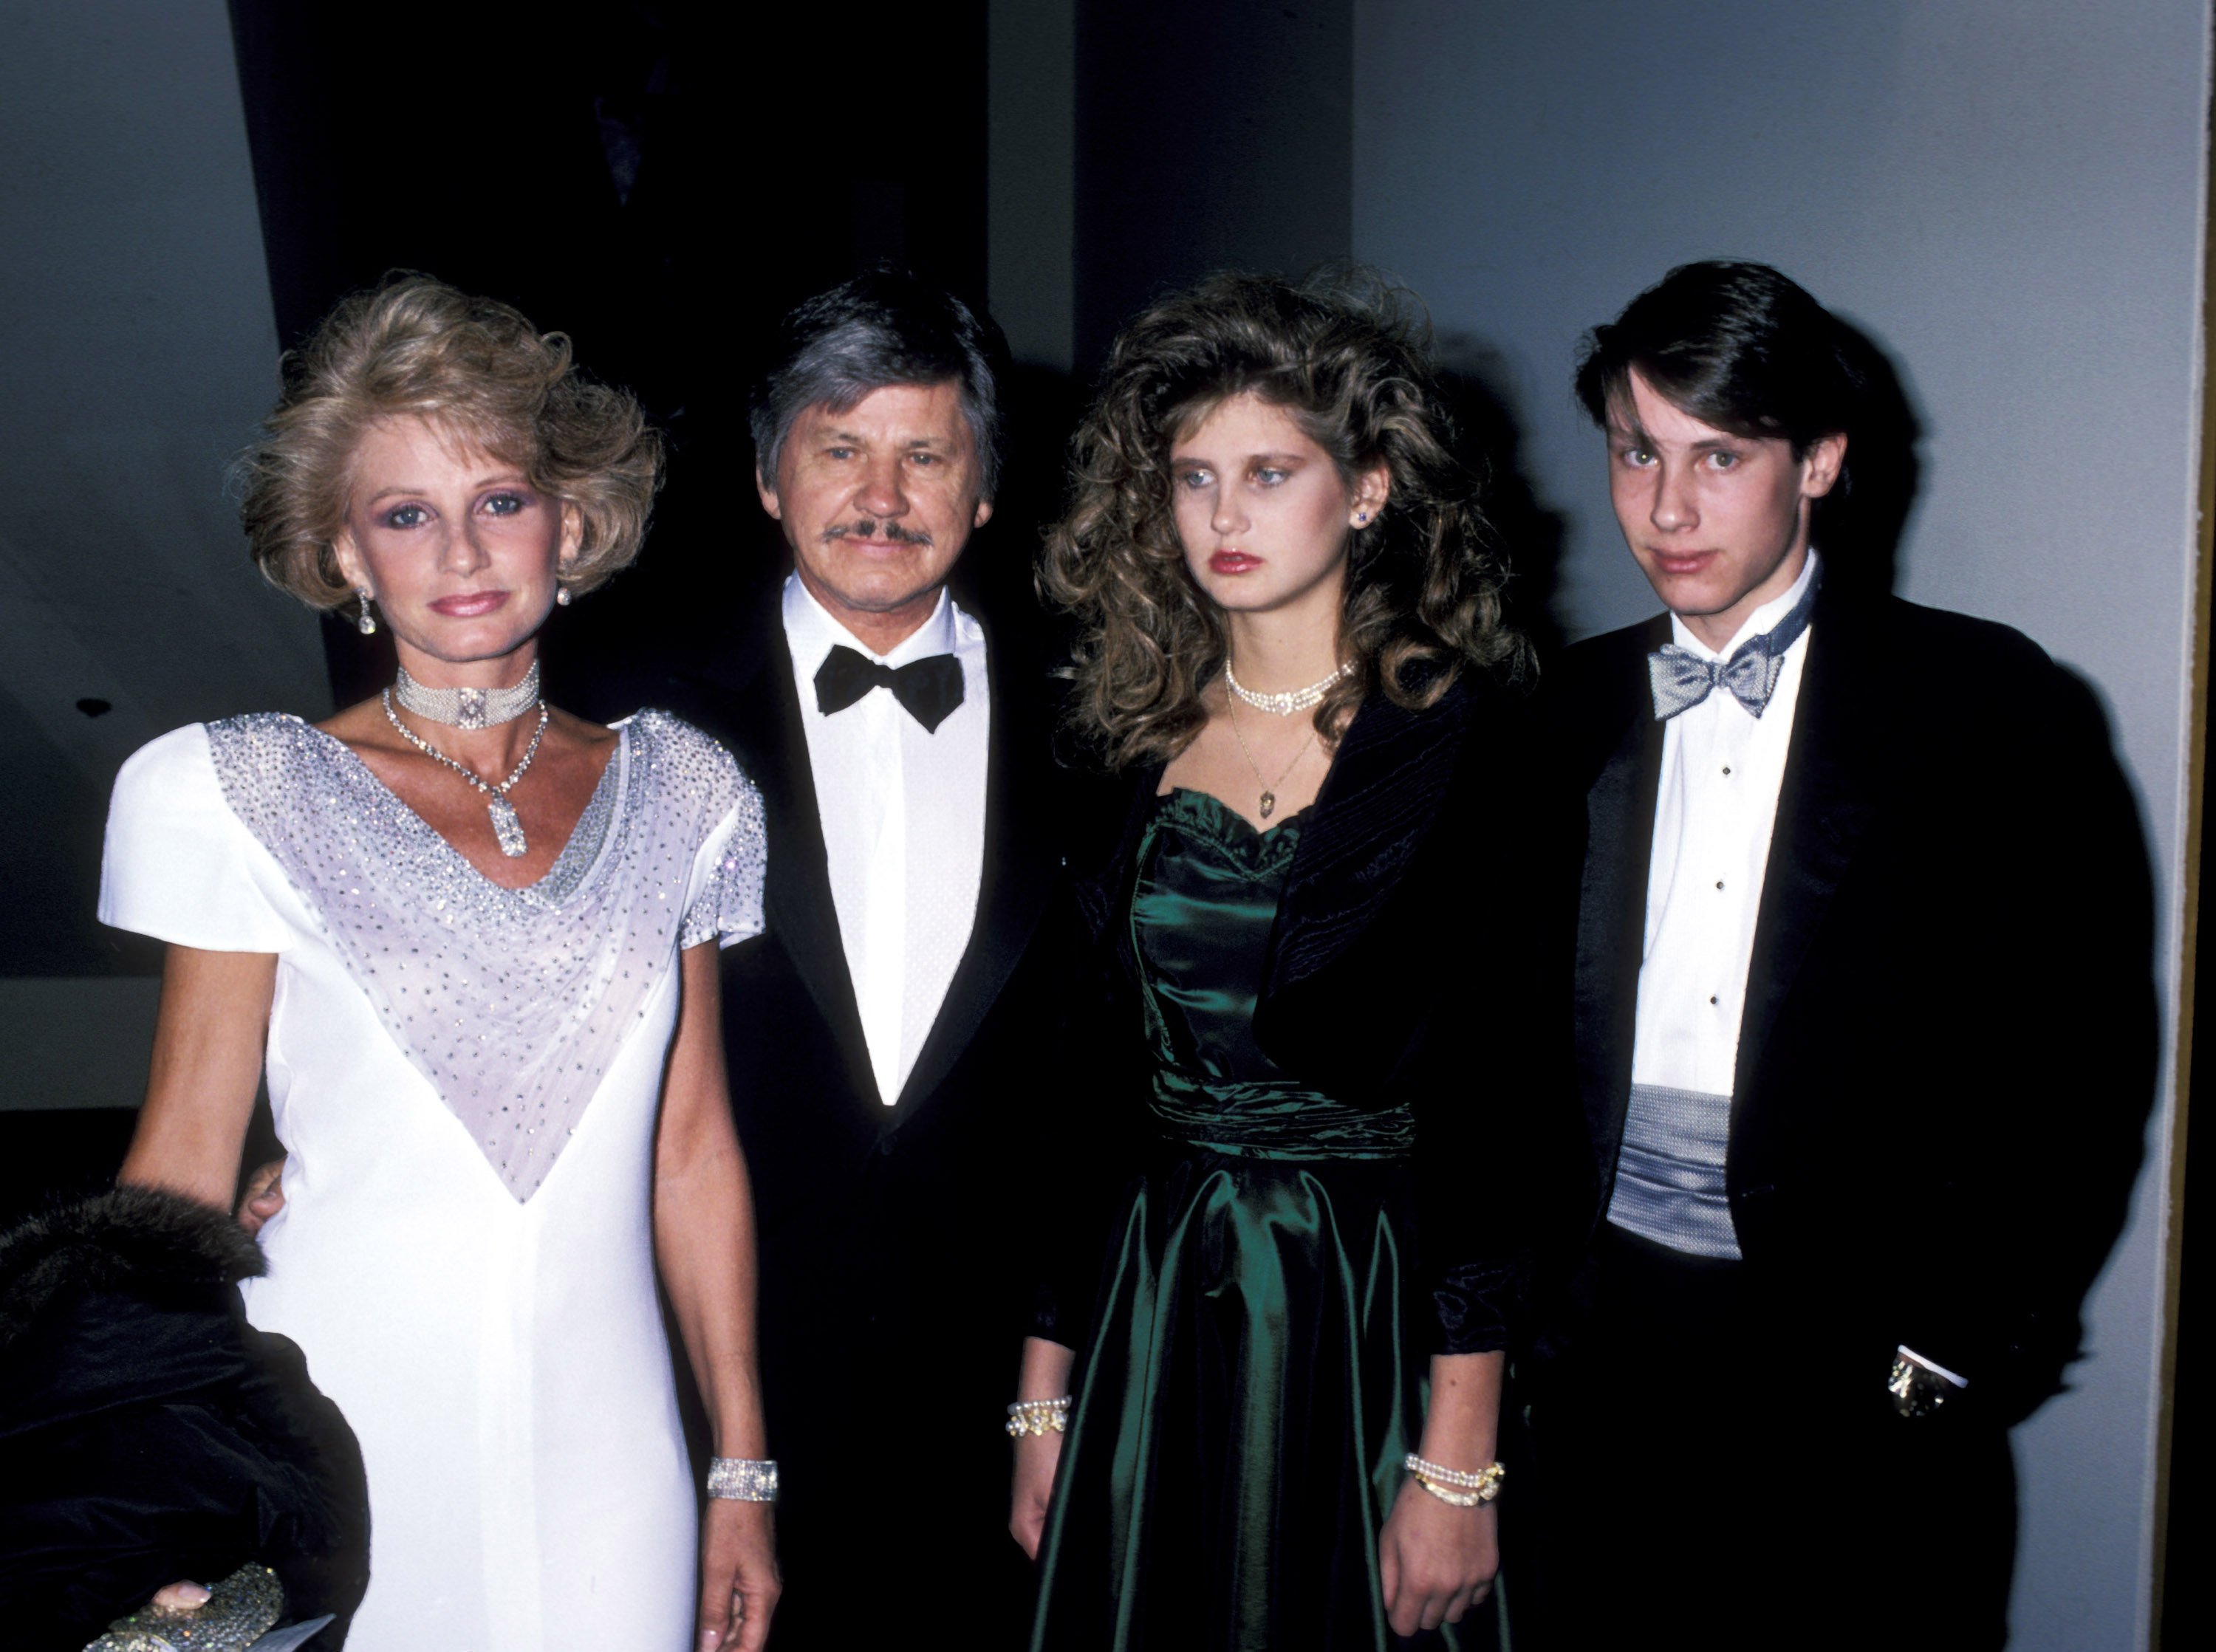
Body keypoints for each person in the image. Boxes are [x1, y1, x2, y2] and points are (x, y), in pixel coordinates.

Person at [98, 275, 781, 1651]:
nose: (462, 551)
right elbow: (177, 1169)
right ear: (346, 552)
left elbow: (694, 1153)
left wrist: (742, 1469)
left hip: (615, 1454)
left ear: (571, 522)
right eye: (406, 513)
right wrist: (147, 1475)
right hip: (330, 1428)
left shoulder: (691, 792)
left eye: (502, 501)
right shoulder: (230, 789)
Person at [1519, 261, 2156, 1649]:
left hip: (1854, 1371)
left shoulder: (1984, 705)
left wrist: (1946, 1351)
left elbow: (2080, 1058)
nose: (1668, 508)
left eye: (1721, 456)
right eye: (1639, 452)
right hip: (1597, 1352)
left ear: (1818, 461)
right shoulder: (1561, 708)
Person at [1014, 272, 1576, 1648]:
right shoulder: (1117, 738)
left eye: (1270, 472)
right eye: (1194, 477)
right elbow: (1083, 1097)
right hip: (1155, 1294)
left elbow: (1503, 1112)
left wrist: (1458, 1456)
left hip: (1371, 1302)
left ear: (1370, 487)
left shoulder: (1470, 741)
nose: (1223, 516)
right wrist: (1043, 1392)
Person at [666, 267, 1077, 1646]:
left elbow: (1106, 1083)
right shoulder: (643, 719)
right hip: (724, 1375)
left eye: (924, 453)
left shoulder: (1104, 718)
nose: (881, 496)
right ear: (771, 479)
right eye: (838, 449)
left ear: (984, 489)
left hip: (1006, 1387)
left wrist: (1046, 1385)